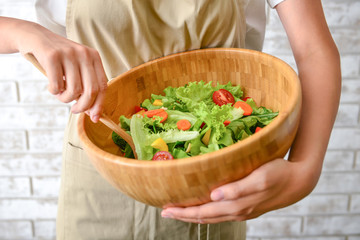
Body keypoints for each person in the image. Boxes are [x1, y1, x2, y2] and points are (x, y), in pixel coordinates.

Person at [0, 0, 341, 239]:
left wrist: (305, 170)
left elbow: (313, 49)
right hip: (100, 173)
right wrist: (21, 32)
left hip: (212, 182)